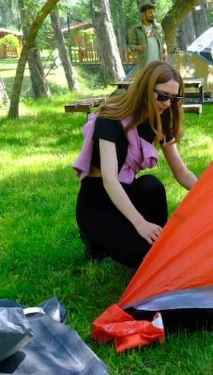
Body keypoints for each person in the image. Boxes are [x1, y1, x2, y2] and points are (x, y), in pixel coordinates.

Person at [73, 62, 198, 269]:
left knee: (151, 185)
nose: (167, 104)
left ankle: (154, 234)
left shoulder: (162, 120)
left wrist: (212, 196)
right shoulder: (110, 117)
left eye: (174, 98)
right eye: (162, 96)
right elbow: (110, 179)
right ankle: (94, 240)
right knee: (145, 259)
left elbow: (182, 173)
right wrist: (139, 223)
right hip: (98, 200)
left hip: (128, 191)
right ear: (145, 89)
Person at [127, 3, 167, 69]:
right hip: (145, 66)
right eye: (150, 12)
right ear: (143, 14)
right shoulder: (136, 28)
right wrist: (139, 47)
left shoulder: (158, 27)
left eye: (154, 12)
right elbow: (131, 46)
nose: (153, 14)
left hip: (159, 64)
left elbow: (163, 41)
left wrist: (165, 50)